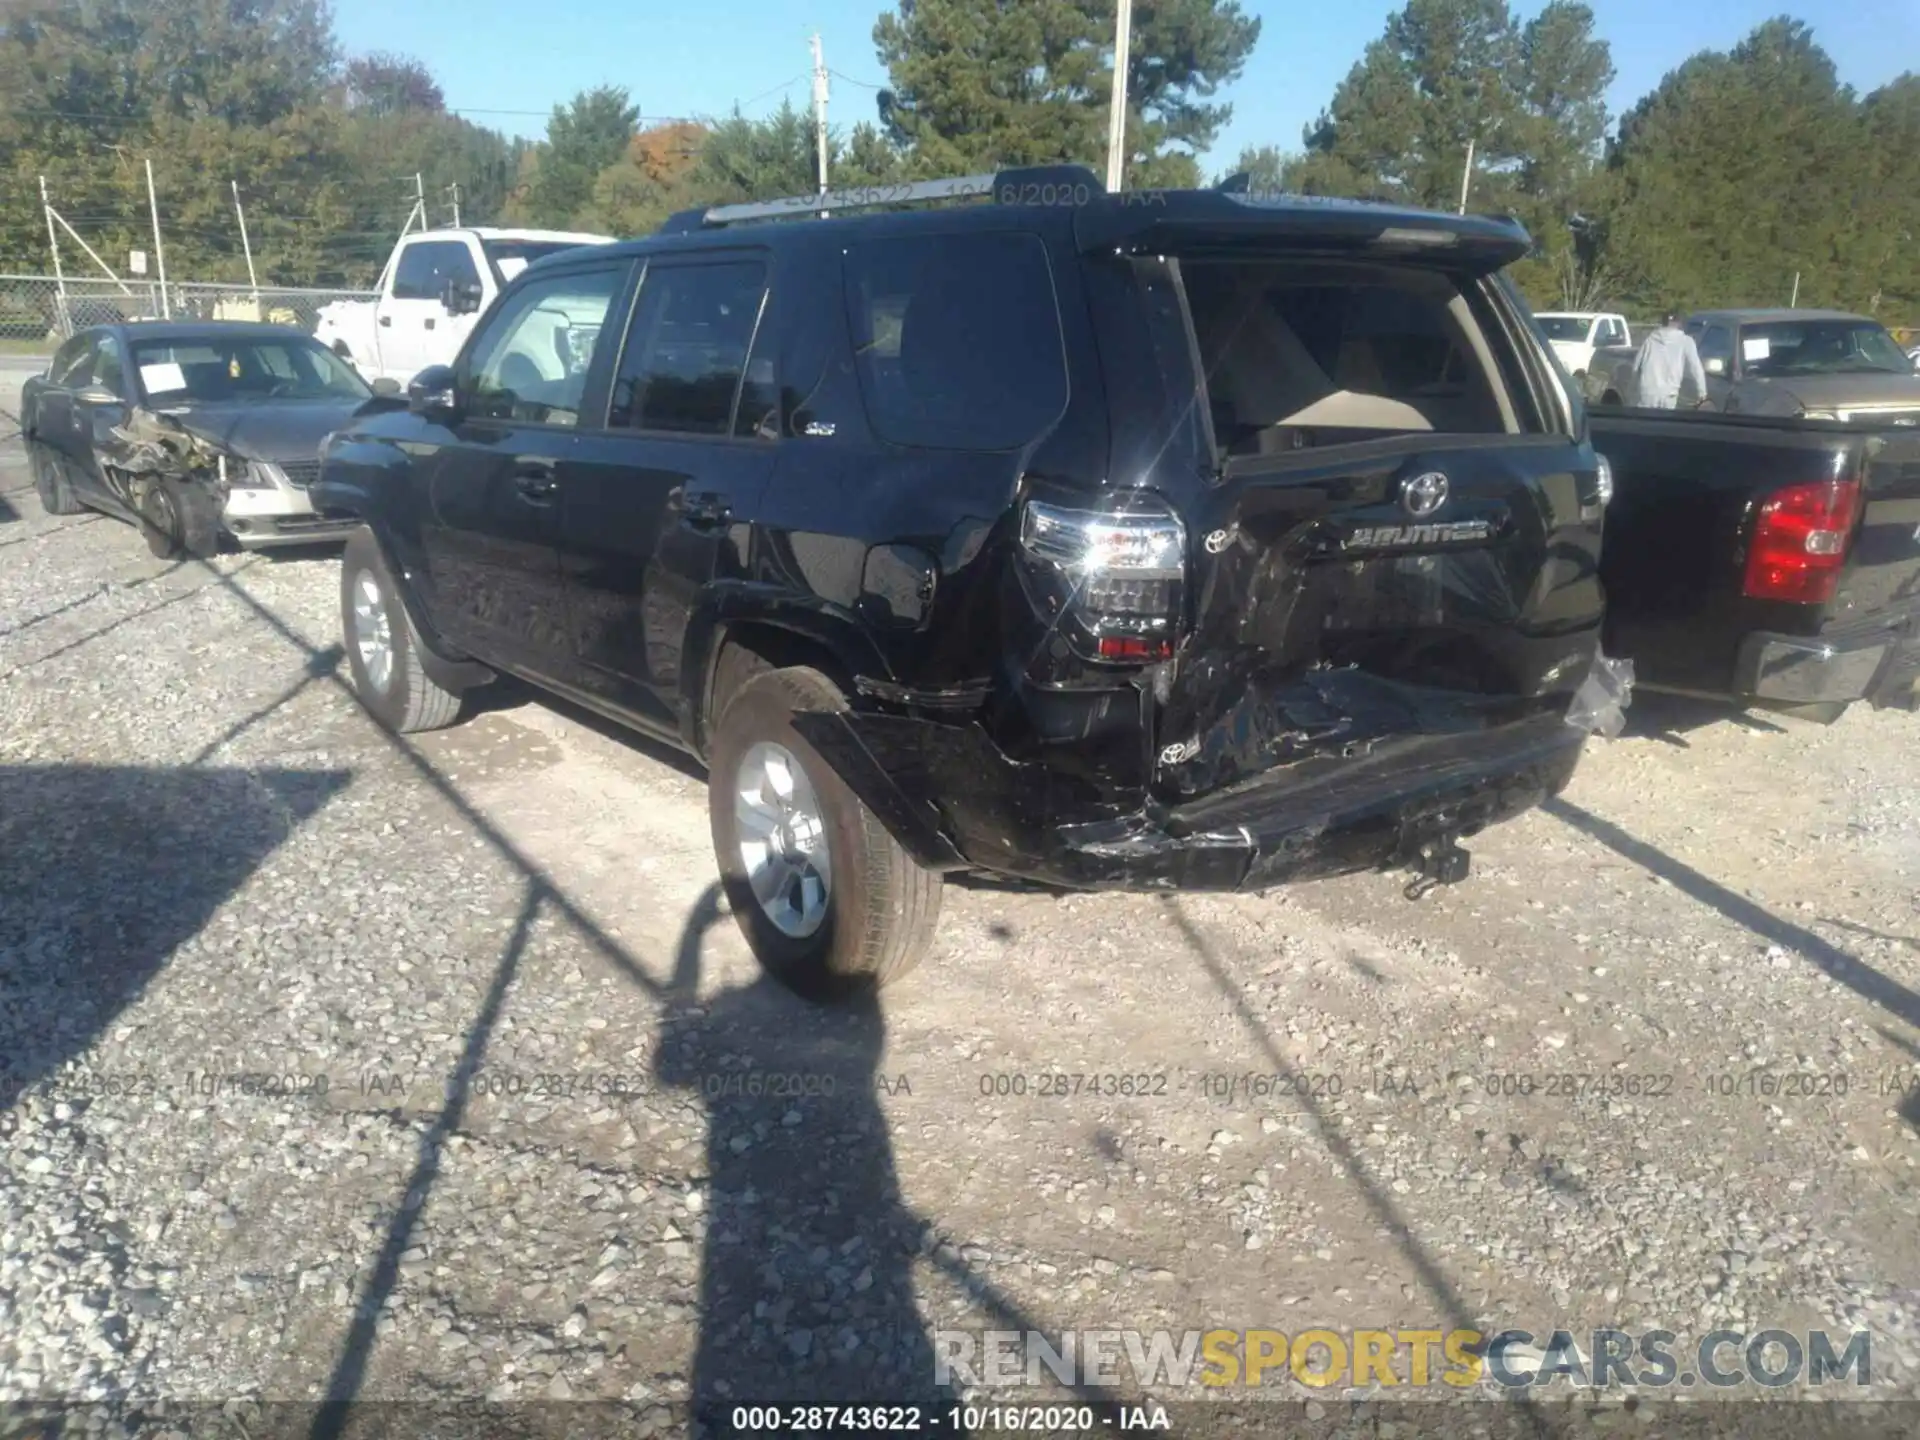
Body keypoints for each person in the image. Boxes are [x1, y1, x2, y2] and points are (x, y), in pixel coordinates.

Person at [1632, 311, 1709, 409]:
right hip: (1669, 394)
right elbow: (1696, 368)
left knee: (1647, 422)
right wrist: (1702, 393)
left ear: (1663, 323)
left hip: (1648, 392)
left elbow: (1636, 366)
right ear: (1679, 323)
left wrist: (1633, 389)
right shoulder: (1686, 341)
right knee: (1665, 422)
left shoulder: (1650, 340)